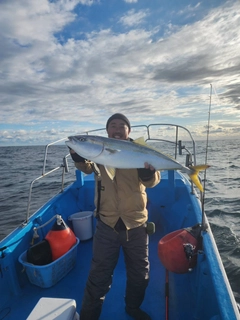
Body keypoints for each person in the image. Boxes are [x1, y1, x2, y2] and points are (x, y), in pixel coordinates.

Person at [69, 113, 161, 320]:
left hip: (136, 223)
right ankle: (89, 317)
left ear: (129, 131)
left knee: (140, 275)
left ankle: (132, 307)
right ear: (107, 131)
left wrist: (148, 173)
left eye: (122, 126)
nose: (117, 129)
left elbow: (153, 181)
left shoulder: (139, 150)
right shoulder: (100, 150)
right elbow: (87, 166)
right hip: (106, 223)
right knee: (98, 277)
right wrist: (78, 154)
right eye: (113, 125)